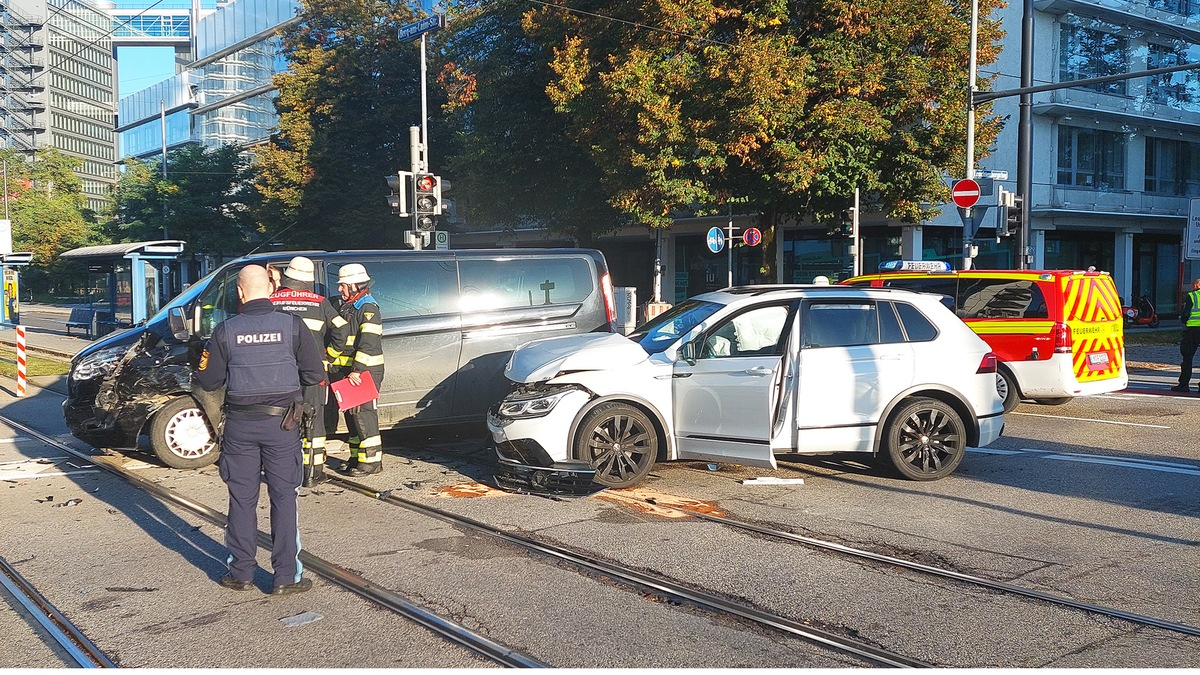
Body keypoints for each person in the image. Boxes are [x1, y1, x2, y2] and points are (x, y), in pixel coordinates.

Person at [196, 265, 325, 595]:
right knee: (285, 498)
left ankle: (241, 573)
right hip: (282, 425)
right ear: (271, 287)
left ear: (240, 292)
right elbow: (314, 374)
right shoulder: (293, 327)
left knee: (241, 499)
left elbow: (208, 380)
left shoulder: (225, 331)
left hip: (240, 426)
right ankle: (286, 577)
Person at [269, 256, 352, 487]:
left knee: (282, 419)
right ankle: (313, 474)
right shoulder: (319, 302)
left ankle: (285, 471)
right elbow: (342, 330)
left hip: (279, 373)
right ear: (308, 281)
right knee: (313, 419)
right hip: (314, 371)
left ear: (287, 277)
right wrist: (329, 355)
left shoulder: (272, 300)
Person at [328, 263, 385, 476]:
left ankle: (372, 461)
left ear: (354, 285)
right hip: (347, 370)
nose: (340, 289)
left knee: (364, 415)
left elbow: (368, 342)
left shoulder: (368, 308)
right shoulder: (348, 306)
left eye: (343, 285)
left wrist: (357, 370)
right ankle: (357, 457)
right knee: (352, 416)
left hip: (364, 372)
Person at [1173, 278, 1200, 393]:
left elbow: (1186, 313)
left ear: (1196, 285)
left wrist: (1184, 321)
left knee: (1187, 357)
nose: (1192, 286)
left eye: (1193, 284)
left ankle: (1184, 385)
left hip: (1193, 330)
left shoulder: (1193, 296)